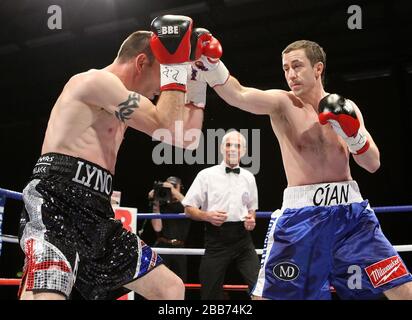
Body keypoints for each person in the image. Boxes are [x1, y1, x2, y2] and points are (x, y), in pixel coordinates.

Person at [190, 35, 412, 299]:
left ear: (318, 68)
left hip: (352, 217)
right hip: (302, 218)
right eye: (285, 69)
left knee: (401, 287)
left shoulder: (345, 107)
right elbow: (238, 95)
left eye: (297, 66)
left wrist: (354, 136)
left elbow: (372, 163)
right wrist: (211, 63)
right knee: (267, 297)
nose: (290, 75)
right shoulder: (282, 104)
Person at [18, 15, 207, 300]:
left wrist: (198, 78)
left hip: (98, 213)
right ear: (141, 62)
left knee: (170, 288)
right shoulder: (95, 81)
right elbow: (165, 122)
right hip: (56, 203)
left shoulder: (125, 101)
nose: (159, 90)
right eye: (161, 74)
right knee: (49, 294)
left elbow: (185, 137)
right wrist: (175, 68)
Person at [182, 130, 260, 300]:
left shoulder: (249, 177)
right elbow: (188, 208)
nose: (233, 149)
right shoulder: (206, 175)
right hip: (216, 239)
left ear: (244, 151)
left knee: (260, 287)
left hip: (243, 240)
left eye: (237, 146)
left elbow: (251, 208)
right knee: (209, 292)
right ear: (222, 148)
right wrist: (207, 216)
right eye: (229, 144)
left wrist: (251, 219)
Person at [148, 176, 191, 283]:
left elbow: (190, 204)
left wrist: (172, 189)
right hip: (163, 245)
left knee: (180, 282)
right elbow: (157, 228)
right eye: (169, 186)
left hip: (179, 248)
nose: (171, 189)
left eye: (174, 186)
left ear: (180, 188)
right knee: (159, 282)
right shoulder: (161, 204)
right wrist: (155, 203)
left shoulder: (187, 206)